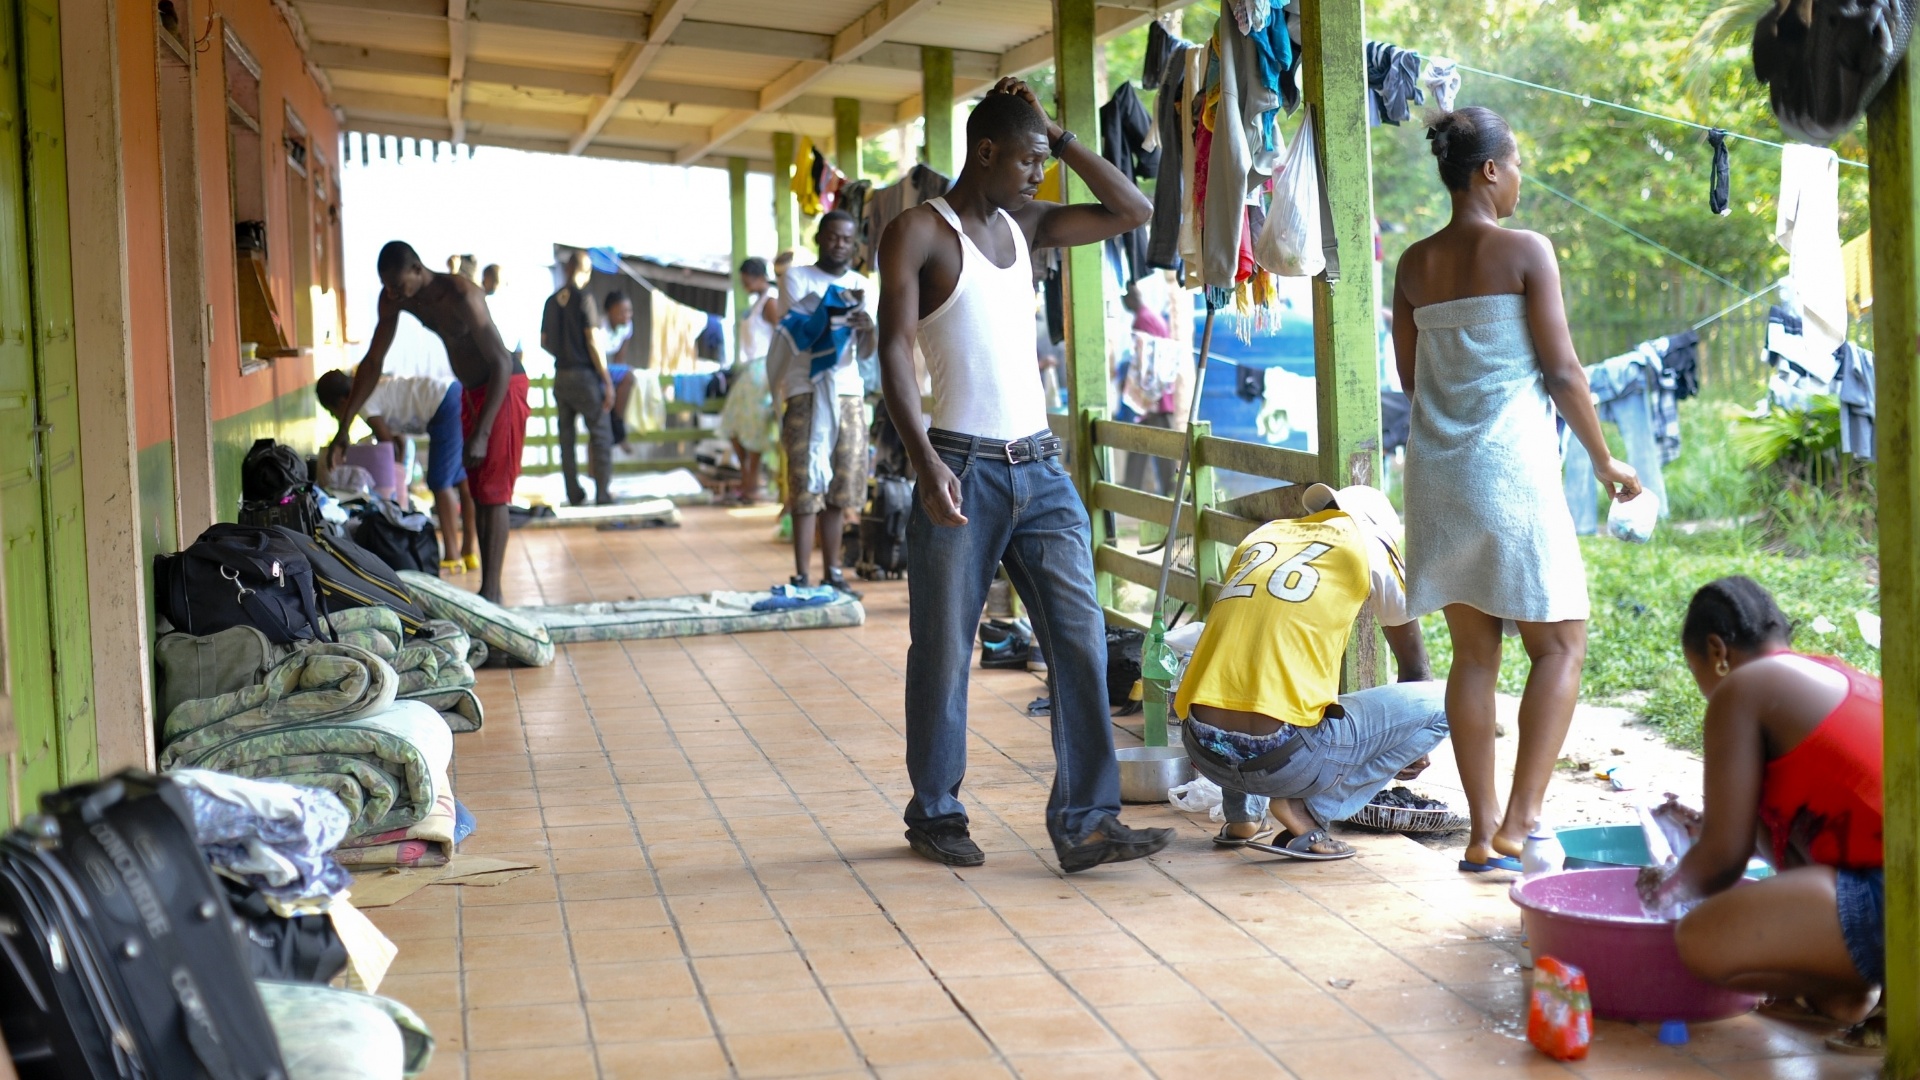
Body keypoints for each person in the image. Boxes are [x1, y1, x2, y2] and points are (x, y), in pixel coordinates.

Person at [876, 78, 1169, 873]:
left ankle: (1087, 822)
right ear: (984, 152)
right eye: (1031, 159)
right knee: (942, 648)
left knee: (1079, 641)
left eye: (1047, 160)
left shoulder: (1027, 222)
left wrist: (1063, 136)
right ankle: (936, 813)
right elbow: (894, 350)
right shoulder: (918, 234)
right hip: (960, 463)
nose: (1042, 174)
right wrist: (925, 460)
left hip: (1041, 469)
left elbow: (1134, 213)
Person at [1390, 107, 1642, 873]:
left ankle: (1479, 832)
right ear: (1490, 170)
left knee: (1474, 656)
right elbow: (1563, 373)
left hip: (1438, 474)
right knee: (1561, 643)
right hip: (1511, 473)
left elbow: (1411, 378)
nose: (1522, 176)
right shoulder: (1525, 251)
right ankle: (1521, 823)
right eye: (1518, 161)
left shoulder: (1412, 265)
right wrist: (1605, 461)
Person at [1639, 578, 1883, 1051]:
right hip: (1893, 883)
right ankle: (1846, 984)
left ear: (1717, 651)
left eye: (1697, 672)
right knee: (1775, 852)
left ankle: (1854, 975)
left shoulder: (1742, 688)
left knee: (1700, 940)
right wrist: (1710, 826)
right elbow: (1802, 822)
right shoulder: (1826, 675)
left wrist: (1661, 892)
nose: (1706, 690)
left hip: (1894, 897)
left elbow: (1721, 862)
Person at [1176, 484, 1448, 860]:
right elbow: (1416, 670)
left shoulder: (1263, 536)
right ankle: (1305, 811)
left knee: (1242, 668)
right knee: (1448, 701)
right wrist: (1409, 746)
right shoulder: (1371, 542)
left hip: (1203, 747)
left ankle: (1242, 819)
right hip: (1283, 759)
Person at [333, 240, 528, 604]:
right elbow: (373, 362)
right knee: (479, 486)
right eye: (386, 285)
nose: (392, 293)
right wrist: (343, 427)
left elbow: (501, 361)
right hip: (471, 391)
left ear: (418, 270)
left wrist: (483, 432)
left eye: (398, 284)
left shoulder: (461, 294)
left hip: (503, 386)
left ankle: (492, 593)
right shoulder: (396, 298)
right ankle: (488, 593)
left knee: (494, 492)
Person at [767, 212, 874, 595]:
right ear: (820, 238)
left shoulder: (863, 284)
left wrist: (868, 328)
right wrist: (840, 311)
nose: (840, 244)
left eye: (847, 239)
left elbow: (866, 352)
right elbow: (806, 330)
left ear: (855, 243)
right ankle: (801, 575)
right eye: (833, 237)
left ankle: (833, 572)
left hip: (848, 392)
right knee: (804, 482)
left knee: (841, 484)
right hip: (805, 390)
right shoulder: (796, 277)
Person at [316, 369, 476, 572]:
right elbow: (396, 440)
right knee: (461, 478)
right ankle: (469, 551)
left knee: (439, 482)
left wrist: (394, 470)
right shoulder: (374, 390)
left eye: (333, 412)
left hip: (444, 404)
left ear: (341, 402)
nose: (337, 418)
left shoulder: (365, 402)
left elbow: (387, 445)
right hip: (452, 393)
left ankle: (453, 556)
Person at [542, 250, 615, 507]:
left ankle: (574, 494)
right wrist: (605, 379)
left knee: (566, 438)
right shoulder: (585, 298)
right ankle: (603, 493)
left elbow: (544, 343)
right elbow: (593, 339)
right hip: (584, 375)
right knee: (600, 433)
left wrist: (564, 353)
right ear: (585, 270)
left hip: (561, 375)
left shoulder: (552, 301)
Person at [718, 257, 779, 503]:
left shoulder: (770, 301)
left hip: (763, 370)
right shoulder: (757, 303)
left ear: (756, 277)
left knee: (753, 427)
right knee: (732, 423)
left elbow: (781, 337)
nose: (744, 285)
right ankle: (747, 476)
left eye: (745, 280)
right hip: (750, 370)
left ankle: (751, 481)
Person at [602, 290, 641, 445]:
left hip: (608, 368)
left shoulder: (627, 327)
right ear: (609, 312)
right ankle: (617, 427)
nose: (626, 315)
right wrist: (608, 383)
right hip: (594, 367)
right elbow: (596, 359)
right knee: (627, 375)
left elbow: (620, 358)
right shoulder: (600, 328)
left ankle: (617, 423)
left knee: (628, 375)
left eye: (629, 311)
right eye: (621, 312)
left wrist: (615, 383)